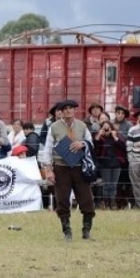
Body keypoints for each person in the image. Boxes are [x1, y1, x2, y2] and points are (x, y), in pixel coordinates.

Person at [39, 99, 95, 241]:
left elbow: (91, 143)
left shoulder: (82, 126)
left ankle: (86, 230)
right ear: (61, 112)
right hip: (61, 167)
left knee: (86, 199)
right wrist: (48, 170)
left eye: (71, 108)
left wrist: (82, 143)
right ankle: (67, 231)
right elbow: (47, 149)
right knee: (62, 199)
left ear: (74, 110)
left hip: (79, 167)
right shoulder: (54, 127)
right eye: (65, 109)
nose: (69, 111)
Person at [93, 120, 126, 210]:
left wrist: (115, 137)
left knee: (113, 184)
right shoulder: (100, 138)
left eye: (108, 128)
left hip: (116, 164)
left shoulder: (116, 136)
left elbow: (123, 147)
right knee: (106, 184)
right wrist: (99, 135)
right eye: (104, 128)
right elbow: (94, 145)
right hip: (104, 164)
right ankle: (106, 202)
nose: (106, 130)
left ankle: (112, 201)